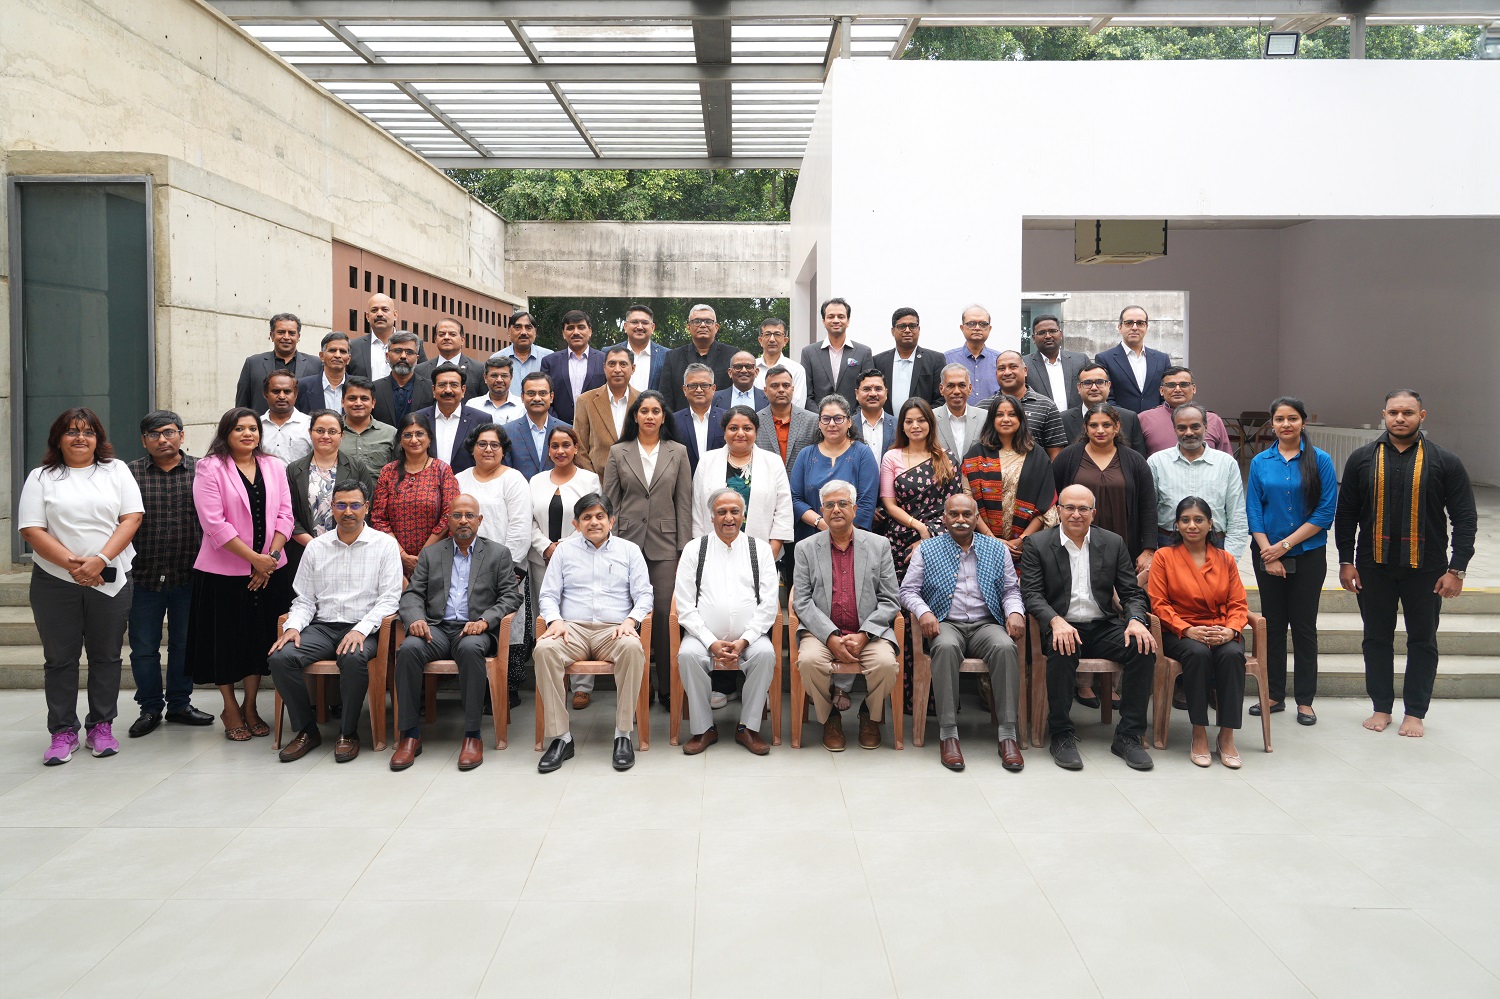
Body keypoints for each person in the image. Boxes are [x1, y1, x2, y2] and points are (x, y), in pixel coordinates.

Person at [1335, 390, 1477, 738]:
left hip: (1427, 569)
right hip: (1372, 566)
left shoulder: (1445, 461)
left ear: (1422, 416)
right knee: (1376, 639)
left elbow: (1465, 518)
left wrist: (1456, 569)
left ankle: (1415, 712)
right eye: (1394, 412)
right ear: (1383, 414)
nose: (1400, 418)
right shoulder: (1362, 459)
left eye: (1408, 413)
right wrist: (1345, 560)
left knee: (1423, 640)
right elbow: (1346, 514)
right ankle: (1381, 707)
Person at [19, 408, 144, 764]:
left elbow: (131, 518)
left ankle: (101, 727)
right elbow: (31, 529)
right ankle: (62, 732)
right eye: (71, 431)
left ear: (98, 438)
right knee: (60, 659)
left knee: (106, 656)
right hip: (55, 581)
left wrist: (99, 561)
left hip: (110, 575)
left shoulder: (115, 470)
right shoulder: (41, 477)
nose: (80, 438)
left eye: (88, 432)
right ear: (58, 438)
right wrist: (75, 566)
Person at [1020, 484, 1158, 772]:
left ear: (1093, 513)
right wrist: (1055, 621)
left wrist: (1135, 620)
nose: (1076, 514)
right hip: (1063, 625)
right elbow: (1031, 594)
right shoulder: (1038, 544)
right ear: (1058, 511)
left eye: (1083, 509)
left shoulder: (1113, 542)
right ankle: (1061, 733)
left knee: (1142, 648)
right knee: (1062, 646)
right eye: (1069, 507)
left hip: (1104, 624)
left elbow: (1131, 592)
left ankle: (1129, 735)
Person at [268, 480, 404, 763]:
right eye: (341, 505)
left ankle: (348, 733)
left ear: (366, 508)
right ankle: (307, 731)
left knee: (353, 658)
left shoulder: (385, 545)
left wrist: (360, 630)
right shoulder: (317, 547)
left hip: (364, 628)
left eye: (355, 505)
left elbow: (389, 600)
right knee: (281, 657)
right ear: (332, 508)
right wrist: (293, 627)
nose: (348, 511)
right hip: (322, 627)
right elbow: (304, 599)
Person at [391, 495, 524, 771]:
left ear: (480, 520)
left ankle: (472, 735)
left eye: (469, 515)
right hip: (437, 629)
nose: (463, 520)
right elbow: (413, 594)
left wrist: (486, 621)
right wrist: (415, 618)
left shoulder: (497, 553)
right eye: (457, 515)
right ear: (448, 520)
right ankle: (410, 735)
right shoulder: (432, 553)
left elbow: (511, 596)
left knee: (469, 649)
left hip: (475, 630)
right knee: (408, 649)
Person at [186, 407, 295, 743]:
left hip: (271, 570)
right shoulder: (210, 468)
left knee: (259, 641)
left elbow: (285, 515)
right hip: (225, 573)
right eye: (239, 429)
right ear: (226, 433)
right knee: (226, 642)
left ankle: (250, 706)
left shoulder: (274, 466)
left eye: (253, 428)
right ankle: (230, 707)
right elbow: (213, 523)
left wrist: (270, 559)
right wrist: (253, 561)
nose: (248, 434)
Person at [900, 493, 1027, 772]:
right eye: (953, 514)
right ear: (943, 518)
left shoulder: (997, 549)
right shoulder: (927, 549)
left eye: (966, 514)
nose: (960, 520)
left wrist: (1015, 612)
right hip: (946, 622)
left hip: (986, 623)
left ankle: (1007, 735)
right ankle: (948, 734)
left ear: (976, 517)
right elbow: (908, 591)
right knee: (944, 647)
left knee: (1006, 647)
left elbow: (1010, 590)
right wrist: (924, 612)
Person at [535, 492, 654, 773]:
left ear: (611, 520)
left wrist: (632, 620)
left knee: (632, 648)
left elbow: (645, 595)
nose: (594, 522)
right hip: (571, 630)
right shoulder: (563, 550)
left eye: (600, 516)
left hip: (613, 630)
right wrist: (554, 621)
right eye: (587, 517)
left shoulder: (629, 550)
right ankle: (562, 738)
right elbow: (548, 595)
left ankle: (623, 733)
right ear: (576, 524)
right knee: (544, 650)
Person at [1245, 396, 1337, 725]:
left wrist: (1282, 547)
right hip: (1267, 556)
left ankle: (1305, 700)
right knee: (1272, 627)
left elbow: (1325, 512)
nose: (1286, 424)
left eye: (1292, 418)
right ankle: (1273, 694)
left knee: (1303, 627)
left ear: (1303, 422)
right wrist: (1266, 551)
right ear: (1272, 424)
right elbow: (1254, 510)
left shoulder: (1321, 460)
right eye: (1280, 419)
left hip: (1308, 555)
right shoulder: (1260, 462)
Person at [792, 480, 901, 752]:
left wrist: (865, 635)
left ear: (855, 508)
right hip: (821, 633)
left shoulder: (879, 545)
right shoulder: (805, 548)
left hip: (869, 633)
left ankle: (869, 714)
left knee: (886, 665)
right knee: (808, 661)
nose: (836, 510)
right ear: (822, 510)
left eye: (843, 504)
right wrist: (829, 637)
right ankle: (830, 717)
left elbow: (890, 599)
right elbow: (802, 601)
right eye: (829, 505)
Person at [603, 389, 693, 707]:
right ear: (635, 416)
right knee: (628, 617)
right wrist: (607, 544)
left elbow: (684, 503)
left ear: (663, 416)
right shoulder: (619, 451)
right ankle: (636, 688)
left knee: (667, 619)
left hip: (665, 546)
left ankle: (668, 687)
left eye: (656, 411)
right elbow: (608, 503)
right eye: (644, 411)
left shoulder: (678, 451)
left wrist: (683, 551)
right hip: (625, 543)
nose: (650, 416)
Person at [124, 411, 211, 738]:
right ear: (144, 440)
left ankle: (179, 704)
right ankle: (149, 708)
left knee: (184, 644)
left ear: (182, 435)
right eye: (155, 434)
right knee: (143, 647)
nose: (163, 440)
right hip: (143, 576)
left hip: (189, 575)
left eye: (170, 433)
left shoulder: (202, 471)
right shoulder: (129, 474)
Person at [675, 489, 780, 755]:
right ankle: (702, 729)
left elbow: (769, 605)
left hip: (751, 637)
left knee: (765, 654)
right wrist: (710, 642)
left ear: (743, 515)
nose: (728, 518)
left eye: (734, 511)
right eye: (721, 512)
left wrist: (746, 639)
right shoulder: (694, 550)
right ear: (711, 517)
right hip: (702, 637)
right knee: (687, 655)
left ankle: (748, 728)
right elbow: (684, 606)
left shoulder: (761, 550)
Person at [1148, 497, 1250, 768]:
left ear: (1210, 524)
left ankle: (1227, 736)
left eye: (1198, 520)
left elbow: (1238, 603)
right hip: (1180, 630)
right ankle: (1199, 732)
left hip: (1220, 628)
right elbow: (1159, 603)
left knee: (1230, 655)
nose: (1192, 525)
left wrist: (1231, 630)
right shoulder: (1164, 557)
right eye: (1185, 520)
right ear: (1177, 525)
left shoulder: (1225, 558)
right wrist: (1187, 629)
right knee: (1197, 654)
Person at [455, 423, 534, 703]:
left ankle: (506, 689)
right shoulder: (459, 479)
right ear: (472, 448)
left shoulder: (514, 480)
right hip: (463, 568)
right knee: (471, 621)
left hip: (506, 571)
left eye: (495, 445)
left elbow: (520, 527)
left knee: (508, 626)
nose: (488, 449)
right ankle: (478, 689)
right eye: (482, 443)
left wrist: (506, 569)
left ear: (503, 450)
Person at [527, 426, 602, 709]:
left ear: (575, 448)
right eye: (555, 446)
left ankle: (582, 685)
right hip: (542, 560)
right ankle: (553, 679)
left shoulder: (589, 480)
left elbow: (594, 518)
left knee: (577, 616)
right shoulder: (535, 481)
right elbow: (528, 521)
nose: (560, 451)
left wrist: (565, 547)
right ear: (548, 450)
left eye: (566, 445)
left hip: (580, 558)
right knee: (547, 617)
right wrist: (547, 547)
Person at [1053, 403, 1157, 576]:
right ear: (1085, 428)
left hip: (1124, 546)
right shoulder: (1067, 457)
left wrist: (1148, 549)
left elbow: (1148, 507)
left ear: (1117, 427)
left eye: (1106, 425)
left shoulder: (1135, 461)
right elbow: (1053, 500)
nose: (1100, 430)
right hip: (1075, 544)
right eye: (1094, 425)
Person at [285, 409, 377, 578]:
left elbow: (366, 508)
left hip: (349, 550)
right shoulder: (294, 470)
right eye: (319, 430)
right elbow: (288, 514)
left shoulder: (357, 468)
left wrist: (342, 543)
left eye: (332, 432)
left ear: (342, 436)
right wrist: (314, 545)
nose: (325, 436)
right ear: (310, 432)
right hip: (305, 550)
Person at [960, 394, 1056, 557]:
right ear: (991, 419)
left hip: (1027, 547)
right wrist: (992, 540)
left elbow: (1046, 505)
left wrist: (1023, 540)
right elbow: (968, 503)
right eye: (999, 414)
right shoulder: (976, 455)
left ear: (1021, 419)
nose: (1006, 419)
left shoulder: (1037, 455)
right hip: (984, 545)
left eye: (1012, 414)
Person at [1147, 403, 1248, 557]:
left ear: (1206, 427)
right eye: (1182, 428)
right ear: (1174, 430)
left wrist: (1230, 559)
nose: (1189, 433)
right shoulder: (1157, 462)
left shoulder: (1226, 463)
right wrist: (1151, 551)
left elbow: (1237, 516)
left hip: (1215, 545)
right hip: (1168, 544)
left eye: (1195, 427)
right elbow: (1148, 513)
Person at [691, 407, 793, 557]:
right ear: (724, 433)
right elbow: (698, 510)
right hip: (712, 553)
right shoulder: (707, 461)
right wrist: (701, 552)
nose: (740, 433)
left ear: (756, 432)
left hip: (761, 551)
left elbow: (783, 511)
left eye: (747, 428)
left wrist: (771, 553)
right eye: (733, 428)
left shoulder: (773, 462)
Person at [879, 398, 961, 578]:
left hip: (941, 536)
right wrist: (920, 528)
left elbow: (954, 506)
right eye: (909, 421)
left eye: (921, 420)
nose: (915, 426)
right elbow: (889, 504)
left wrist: (930, 535)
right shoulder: (892, 457)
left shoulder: (946, 458)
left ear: (930, 423)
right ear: (902, 426)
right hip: (900, 537)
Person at [371, 413, 460, 577]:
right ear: (400, 440)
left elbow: (449, 515)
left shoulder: (442, 470)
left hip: (436, 558)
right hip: (394, 560)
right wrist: (402, 556)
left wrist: (423, 556)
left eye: (419, 434)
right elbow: (378, 518)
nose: (414, 440)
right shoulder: (388, 472)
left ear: (429, 438)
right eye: (407, 435)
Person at [790, 394, 880, 542]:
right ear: (819, 423)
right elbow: (795, 499)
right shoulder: (805, 455)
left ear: (849, 421)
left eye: (838, 418)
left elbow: (867, 502)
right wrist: (822, 524)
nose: (832, 424)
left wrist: (843, 533)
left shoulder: (863, 453)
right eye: (826, 419)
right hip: (812, 537)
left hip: (854, 538)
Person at [659, 303, 736, 414]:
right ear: (689, 327)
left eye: (708, 321)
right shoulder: (673, 357)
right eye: (697, 321)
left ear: (716, 327)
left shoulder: (732, 355)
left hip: (722, 424)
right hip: (682, 425)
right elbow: (665, 397)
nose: (703, 325)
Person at [1137, 366, 1233, 455]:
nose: (1178, 389)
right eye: (1171, 385)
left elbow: (1226, 461)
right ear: (1161, 390)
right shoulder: (1144, 419)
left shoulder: (1213, 420)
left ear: (1194, 388)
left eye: (1184, 384)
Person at [573, 344, 639, 473]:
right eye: (612, 364)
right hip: (597, 480)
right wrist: (593, 480)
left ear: (633, 368)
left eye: (623, 364)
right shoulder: (585, 400)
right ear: (604, 368)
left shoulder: (643, 401)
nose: (617, 369)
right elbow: (579, 446)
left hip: (634, 482)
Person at [988, 350, 1067, 458]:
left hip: (1035, 473)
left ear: (1025, 371)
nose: (1007, 372)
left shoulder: (1047, 407)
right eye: (1001, 368)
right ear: (996, 373)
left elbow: (1055, 456)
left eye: (1013, 367)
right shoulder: (983, 407)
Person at [234, 312, 319, 410]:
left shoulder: (315, 365)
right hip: (262, 424)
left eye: (291, 333)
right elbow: (241, 406)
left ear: (298, 337)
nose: (286, 337)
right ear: (272, 335)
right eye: (281, 332)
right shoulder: (253, 364)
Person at [800, 297, 874, 411]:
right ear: (823, 321)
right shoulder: (809, 353)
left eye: (841, 316)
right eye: (830, 316)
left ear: (848, 321)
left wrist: (852, 420)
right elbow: (807, 394)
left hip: (853, 422)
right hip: (819, 422)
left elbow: (868, 391)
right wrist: (821, 418)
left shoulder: (863, 352)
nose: (835, 320)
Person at [1093, 305, 1170, 414]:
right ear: (1120, 327)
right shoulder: (1104, 359)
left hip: (1155, 424)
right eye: (1129, 323)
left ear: (1146, 327)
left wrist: (1154, 418)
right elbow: (1106, 397)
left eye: (1140, 323)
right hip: (1121, 425)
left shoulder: (1162, 359)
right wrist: (1129, 420)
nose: (1134, 327)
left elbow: (1167, 395)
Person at [414, 363, 487, 474]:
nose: (448, 390)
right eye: (442, 385)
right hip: (426, 487)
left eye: (454, 385)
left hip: (466, 487)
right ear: (433, 390)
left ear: (463, 390)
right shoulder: (419, 419)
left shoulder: (481, 420)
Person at [1062, 364, 1148, 456]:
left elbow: (1139, 458)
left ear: (1108, 385)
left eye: (1100, 382)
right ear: (1079, 387)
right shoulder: (1063, 419)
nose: (1094, 388)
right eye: (1087, 383)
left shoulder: (1129, 418)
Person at [873, 307, 945, 413]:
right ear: (893, 331)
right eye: (902, 326)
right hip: (886, 426)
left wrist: (921, 418)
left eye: (912, 326)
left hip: (921, 426)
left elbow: (941, 398)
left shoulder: (935, 360)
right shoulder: (878, 361)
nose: (907, 330)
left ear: (919, 330)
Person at [539, 309, 605, 425]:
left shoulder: (605, 360)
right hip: (559, 430)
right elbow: (544, 396)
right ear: (563, 333)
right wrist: (557, 424)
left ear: (590, 331)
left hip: (596, 429)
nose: (576, 332)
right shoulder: (550, 362)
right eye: (570, 328)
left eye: (581, 327)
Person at [505, 373, 570, 481]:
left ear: (551, 397)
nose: (536, 398)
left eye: (542, 393)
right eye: (531, 393)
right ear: (522, 397)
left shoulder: (567, 430)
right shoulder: (507, 432)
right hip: (521, 495)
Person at [755, 364, 819, 475]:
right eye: (775, 386)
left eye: (786, 385)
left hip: (802, 487)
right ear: (765, 391)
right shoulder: (755, 421)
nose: (781, 390)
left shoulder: (812, 421)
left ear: (792, 389)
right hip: (767, 485)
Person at [349, 293, 426, 380]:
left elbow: (423, 377)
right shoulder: (354, 347)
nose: (379, 314)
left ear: (395, 315)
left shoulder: (414, 344)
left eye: (385, 310)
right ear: (367, 316)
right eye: (374, 310)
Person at [1024, 315, 1091, 410]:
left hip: (1076, 423)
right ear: (1034, 338)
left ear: (1061, 334)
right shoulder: (1024, 364)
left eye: (1052, 331)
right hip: (1042, 423)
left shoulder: (1080, 360)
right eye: (1041, 332)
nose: (1048, 336)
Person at [672, 363, 727, 473]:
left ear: (713, 388)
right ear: (684, 390)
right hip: (684, 483)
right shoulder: (673, 421)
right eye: (692, 386)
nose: (699, 390)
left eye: (704, 385)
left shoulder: (727, 419)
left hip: (719, 483)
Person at [371, 331, 433, 427]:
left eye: (409, 352)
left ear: (417, 358)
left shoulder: (430, 389)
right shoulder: (374, 389)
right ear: (387, 356)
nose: (403, 356)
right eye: (397, 351)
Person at [943, 304, 1001, 404]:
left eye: (983, 324)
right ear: (962, 328)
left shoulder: (1000, 361)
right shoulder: (946, 359)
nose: (977, 328)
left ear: (989, 329)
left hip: (992, 418)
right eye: (971, 323)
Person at [415, 317, 484, 400]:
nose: (446, 337)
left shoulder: (479, 369)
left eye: (452, 334)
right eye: (441, 334)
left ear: (462, 340)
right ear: (436, 339)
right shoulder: (419, 370)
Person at [337, 376, 397, 471]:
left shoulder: (391, 433)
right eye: (352, 398)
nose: (358, 403)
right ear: (343, 402)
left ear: (373, 403)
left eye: (364, 399)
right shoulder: (332, 433)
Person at [608, 303, 668, 393]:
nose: (640, 327)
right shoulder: (608, 353)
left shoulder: (667, 356)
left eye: (645, 322)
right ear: (625, 326)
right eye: (634, 322)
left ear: (652, 327)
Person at [933, 364, 987, 459]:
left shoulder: (985, 417)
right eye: (950, 386)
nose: (957, 391)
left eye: (962, 385)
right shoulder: (930, 418)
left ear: (970, 388)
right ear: (941, 389)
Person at [752, 317, 807, 410]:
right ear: (760, 340)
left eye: (777, 334)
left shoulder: (796, 370)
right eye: (767, 334)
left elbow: (798, 405)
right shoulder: (750, 368)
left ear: (785, 341)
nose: (772, 339)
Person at [259, 370, 312, 464]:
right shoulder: (256, 426)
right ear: (265, 394)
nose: (282, 396)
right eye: (276, 391)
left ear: (295, 394)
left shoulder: (309, 424)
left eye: (287, 392)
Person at [296, 332, 352, 414]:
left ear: (348, 359)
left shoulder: (358, 387)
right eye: (332, 350)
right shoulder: (302, 386)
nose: (337, 355)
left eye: (342, 351)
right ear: (322, 356)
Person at [495, 309, 550, 382]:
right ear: (509, 331)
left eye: (528, 328)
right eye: (517, 327)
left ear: (535, 332)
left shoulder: (548, 357)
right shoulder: (496, 359)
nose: (523, 332)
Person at [467, 355, 524, 424]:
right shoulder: (473, 405)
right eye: (494, 376)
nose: (499, 380)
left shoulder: (522, 405)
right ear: (485, 378)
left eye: (504, 376)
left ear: (511, 378)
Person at [853, 369, 896, 456]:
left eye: (878, 389)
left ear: (886, 393)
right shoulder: (847, 426)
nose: (873, 394)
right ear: (857, 394)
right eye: (867, 389)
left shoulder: (899, 425)